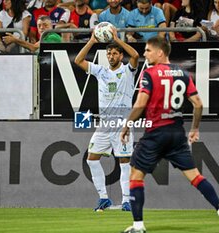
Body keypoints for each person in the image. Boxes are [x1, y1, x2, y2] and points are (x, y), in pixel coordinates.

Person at [120, 36, 219, 233]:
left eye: (148, 50)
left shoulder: (150, 73)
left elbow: (140, 104)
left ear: (160, 53)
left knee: (135, 175)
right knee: (195, 177)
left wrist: (127, 125)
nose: (144, 54)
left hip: (156, 132)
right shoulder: (182, 73)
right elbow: (198, 104)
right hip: (177, 133)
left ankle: (138, 226)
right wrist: (195, 128)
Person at [74, 27, 139, 212]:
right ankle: (104, 198)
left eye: (115, 53)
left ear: (120, 56)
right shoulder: (101, 71)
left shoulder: (127, 71)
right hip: (104, 125)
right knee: (91, 159)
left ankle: (127, 200)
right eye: (109, 53)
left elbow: (135, 55)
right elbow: (78, 60)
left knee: (124, 162)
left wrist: (117, 39)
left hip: (121, 124)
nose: (111, 55)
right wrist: (92, 41)